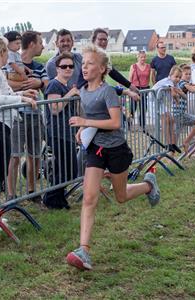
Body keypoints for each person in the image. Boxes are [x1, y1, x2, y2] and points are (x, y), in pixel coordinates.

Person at [66, 45, 160, 271]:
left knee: (121, 195)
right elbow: (91, 115)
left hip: (117, 150)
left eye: (89, 64)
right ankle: (84, 250)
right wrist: (84, 129)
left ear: (101, 69)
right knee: (89, 198)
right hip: (96, 149)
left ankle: (148, 185)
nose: (84, 67)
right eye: (84, 63)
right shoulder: (84, 90)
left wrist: (85, 123)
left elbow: (115, 123)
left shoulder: (108, 91)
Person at [0, 37, 37, 206]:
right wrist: (22, 100)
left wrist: (24, 95)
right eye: (7, 53)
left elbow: (7, 94)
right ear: (2, 52)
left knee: (0, 170)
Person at [6, 31, 48, 202]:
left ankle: (32, 190)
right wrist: (23, 86)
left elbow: (47, 86)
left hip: (35, 115)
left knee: (35, 154)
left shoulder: (39, 67)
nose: (43, 46)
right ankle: (11, 193)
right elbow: (4, 84)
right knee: (15, 155)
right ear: (31, 44)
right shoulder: (9, 63)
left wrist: (39, 83)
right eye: (40, 43)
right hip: (16, 116)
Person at [42, 52, 80, 209]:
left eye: (71, 66)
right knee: (68, 170)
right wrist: (71, 93)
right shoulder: (54, 84)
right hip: (58, 132)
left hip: (67, 132)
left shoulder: (65, 85)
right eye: (64, 66)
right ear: (57, 68)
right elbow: (54, 109)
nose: (68, 69)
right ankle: (51, 198)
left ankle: (57, 199)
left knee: (66, 169)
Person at [152, 65, 184, 153]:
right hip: (153, 101)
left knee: (172, 120)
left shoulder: (175, 83)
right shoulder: (168, 81)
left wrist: (179, 96)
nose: (178, 79)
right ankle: (168, 143)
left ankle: (173, 144)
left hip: (160, 101)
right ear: (170, 75)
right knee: (166, 120)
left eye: (180, 77)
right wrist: (177, 100)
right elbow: (174, 94)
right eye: (176, 76)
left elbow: (180, 93)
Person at [176, 64, 195, 153]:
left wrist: (192, 86)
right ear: (181, 75)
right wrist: (193, 86)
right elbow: (193, 89)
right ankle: (187, 141)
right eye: (186, 74)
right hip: (179, 113)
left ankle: (172, 154)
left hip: (179, 112)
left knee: (176, 134)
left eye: (189, 74)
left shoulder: (184, 83)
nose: (188, 76)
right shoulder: (182, 83)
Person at [128, 50, 151, 126]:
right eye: (141, 57)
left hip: (145, 89)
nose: (143, 59)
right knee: (132, 108)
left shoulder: (148, 66)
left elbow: (148, 78)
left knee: (144, 108)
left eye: (144, 57)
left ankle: (142, 124)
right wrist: (129, 90)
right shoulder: (133, 66)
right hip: (135, 88)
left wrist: (147, 87)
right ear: (137, 57)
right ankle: (129, 123)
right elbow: (130, 78)